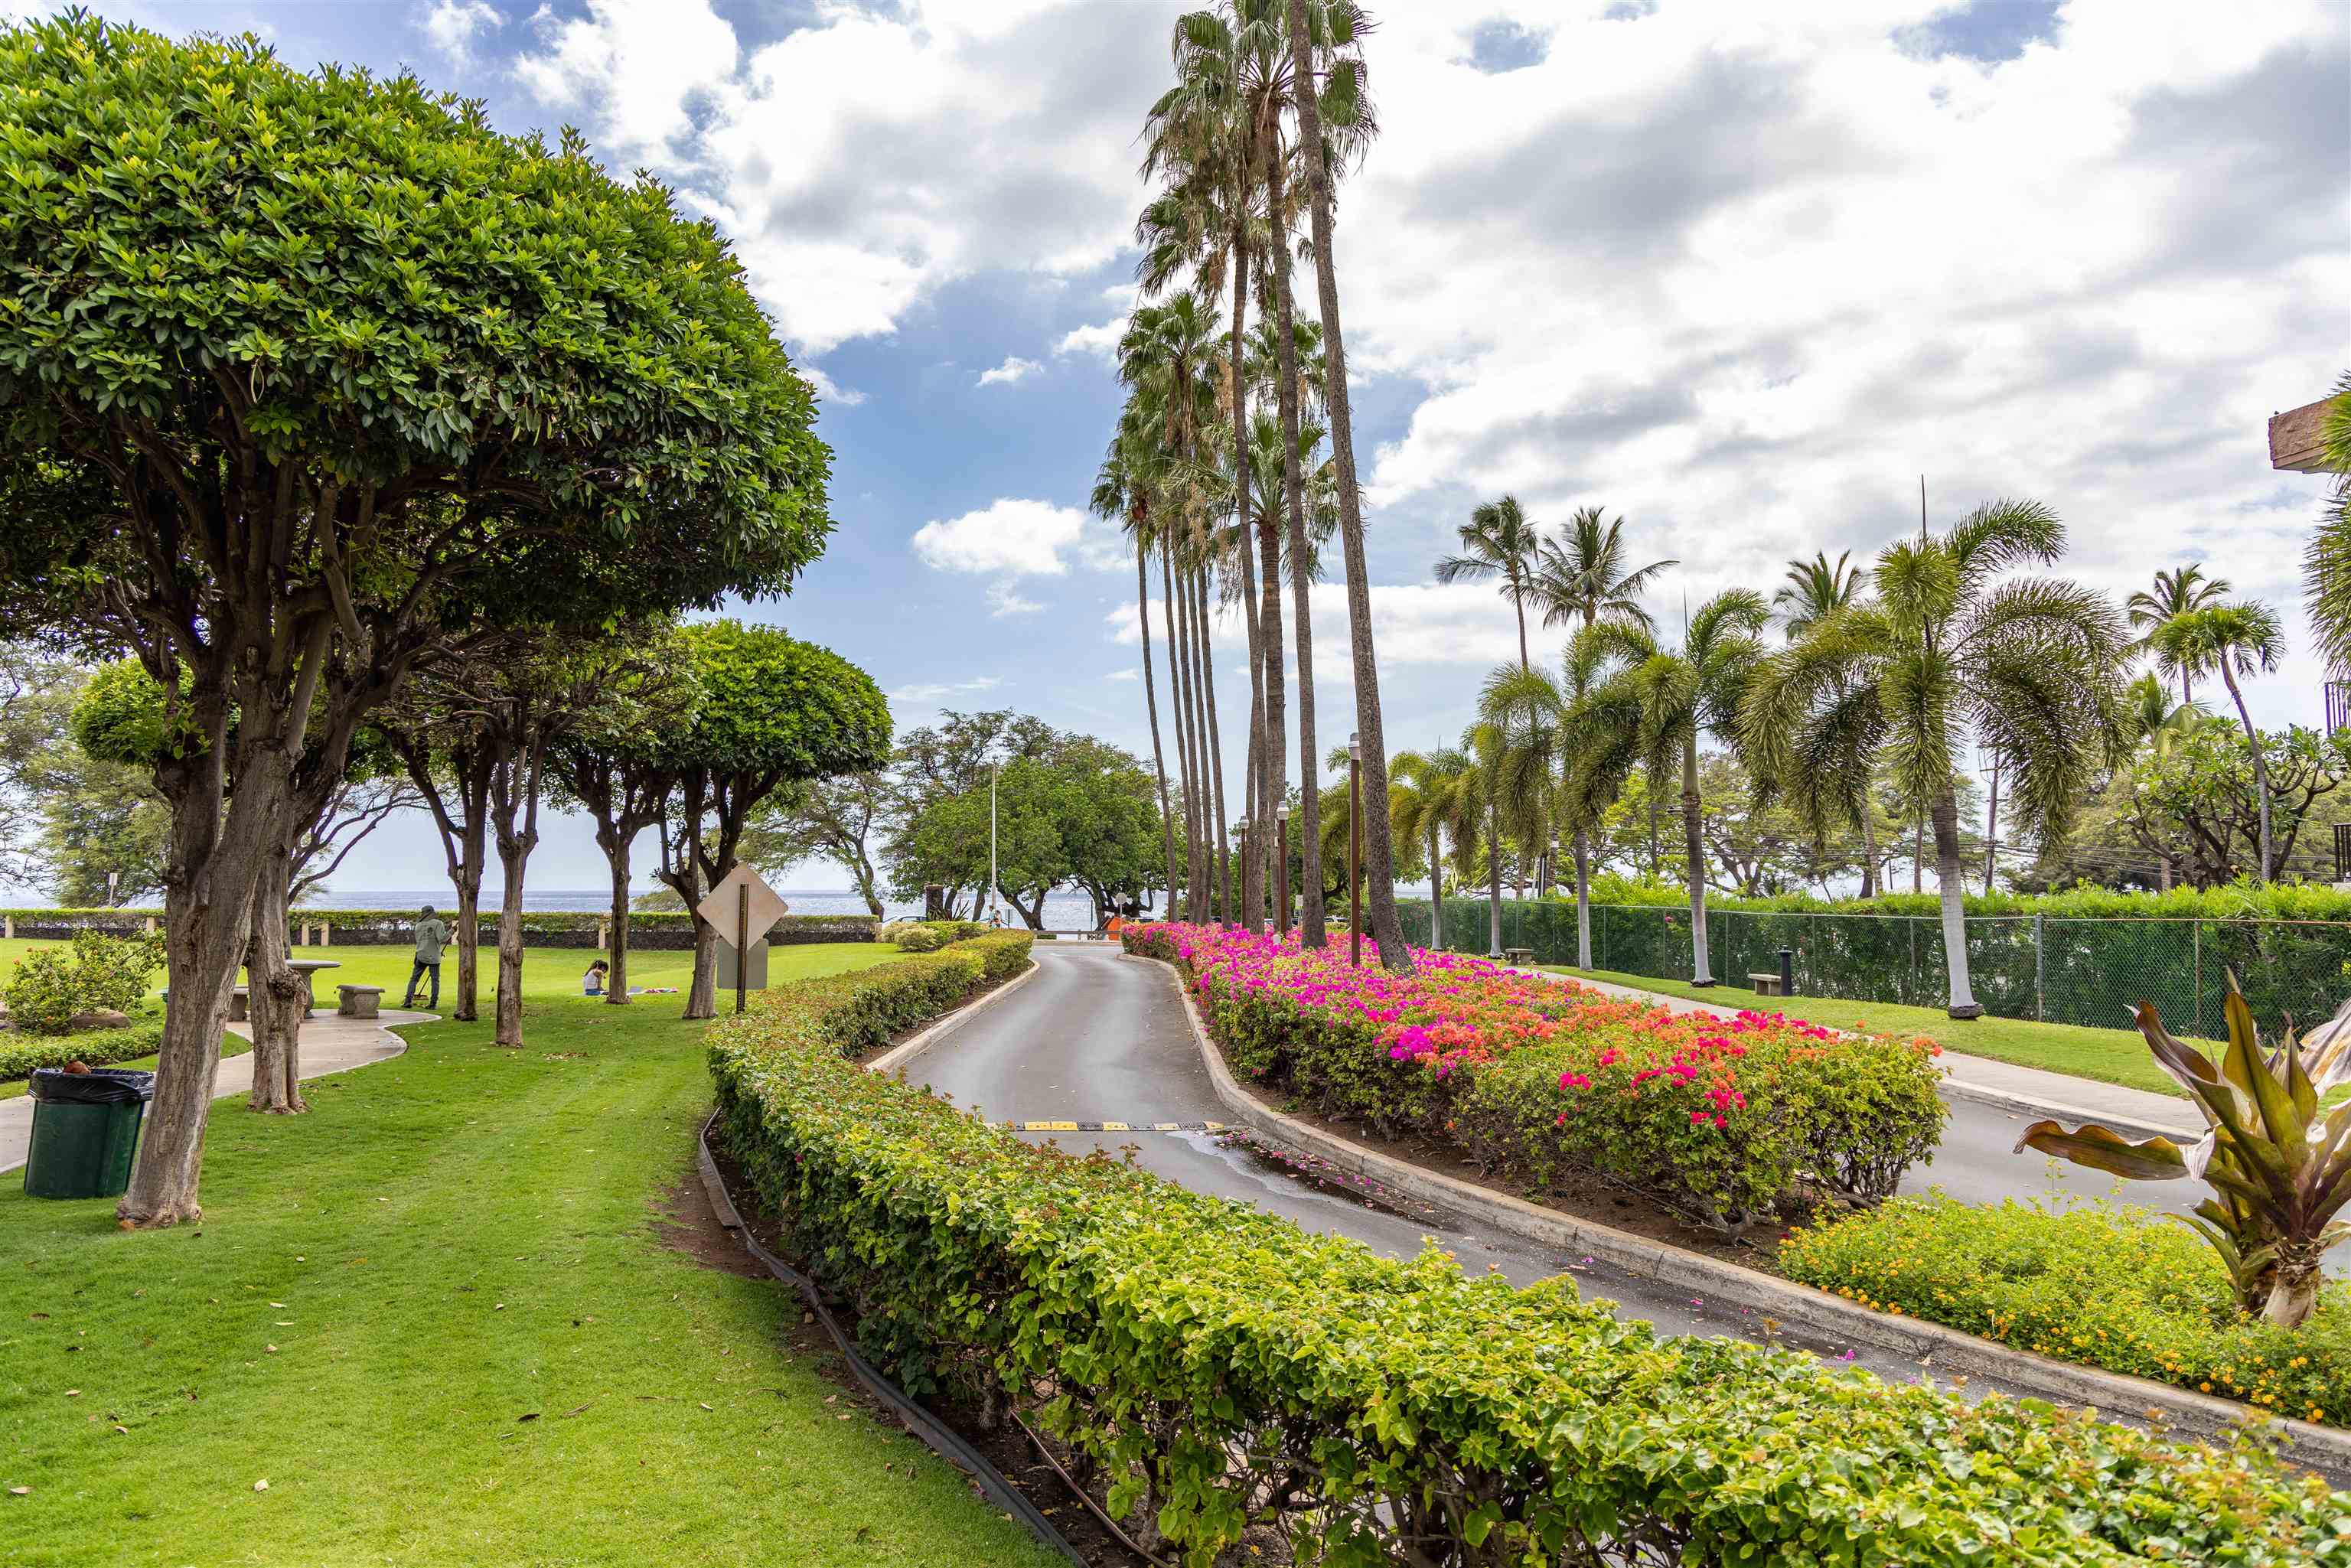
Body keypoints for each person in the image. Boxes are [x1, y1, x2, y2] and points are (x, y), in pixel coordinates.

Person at [404, 904, 450, 1009]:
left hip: (420, 955)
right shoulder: (438, 923)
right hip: (434, 957)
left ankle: (407, 1001)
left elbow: (422, 942)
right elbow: (442, 939)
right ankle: (433, 1004)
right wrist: (452, 931)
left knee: (414, 979)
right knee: (435, 980)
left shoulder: (418, 926)